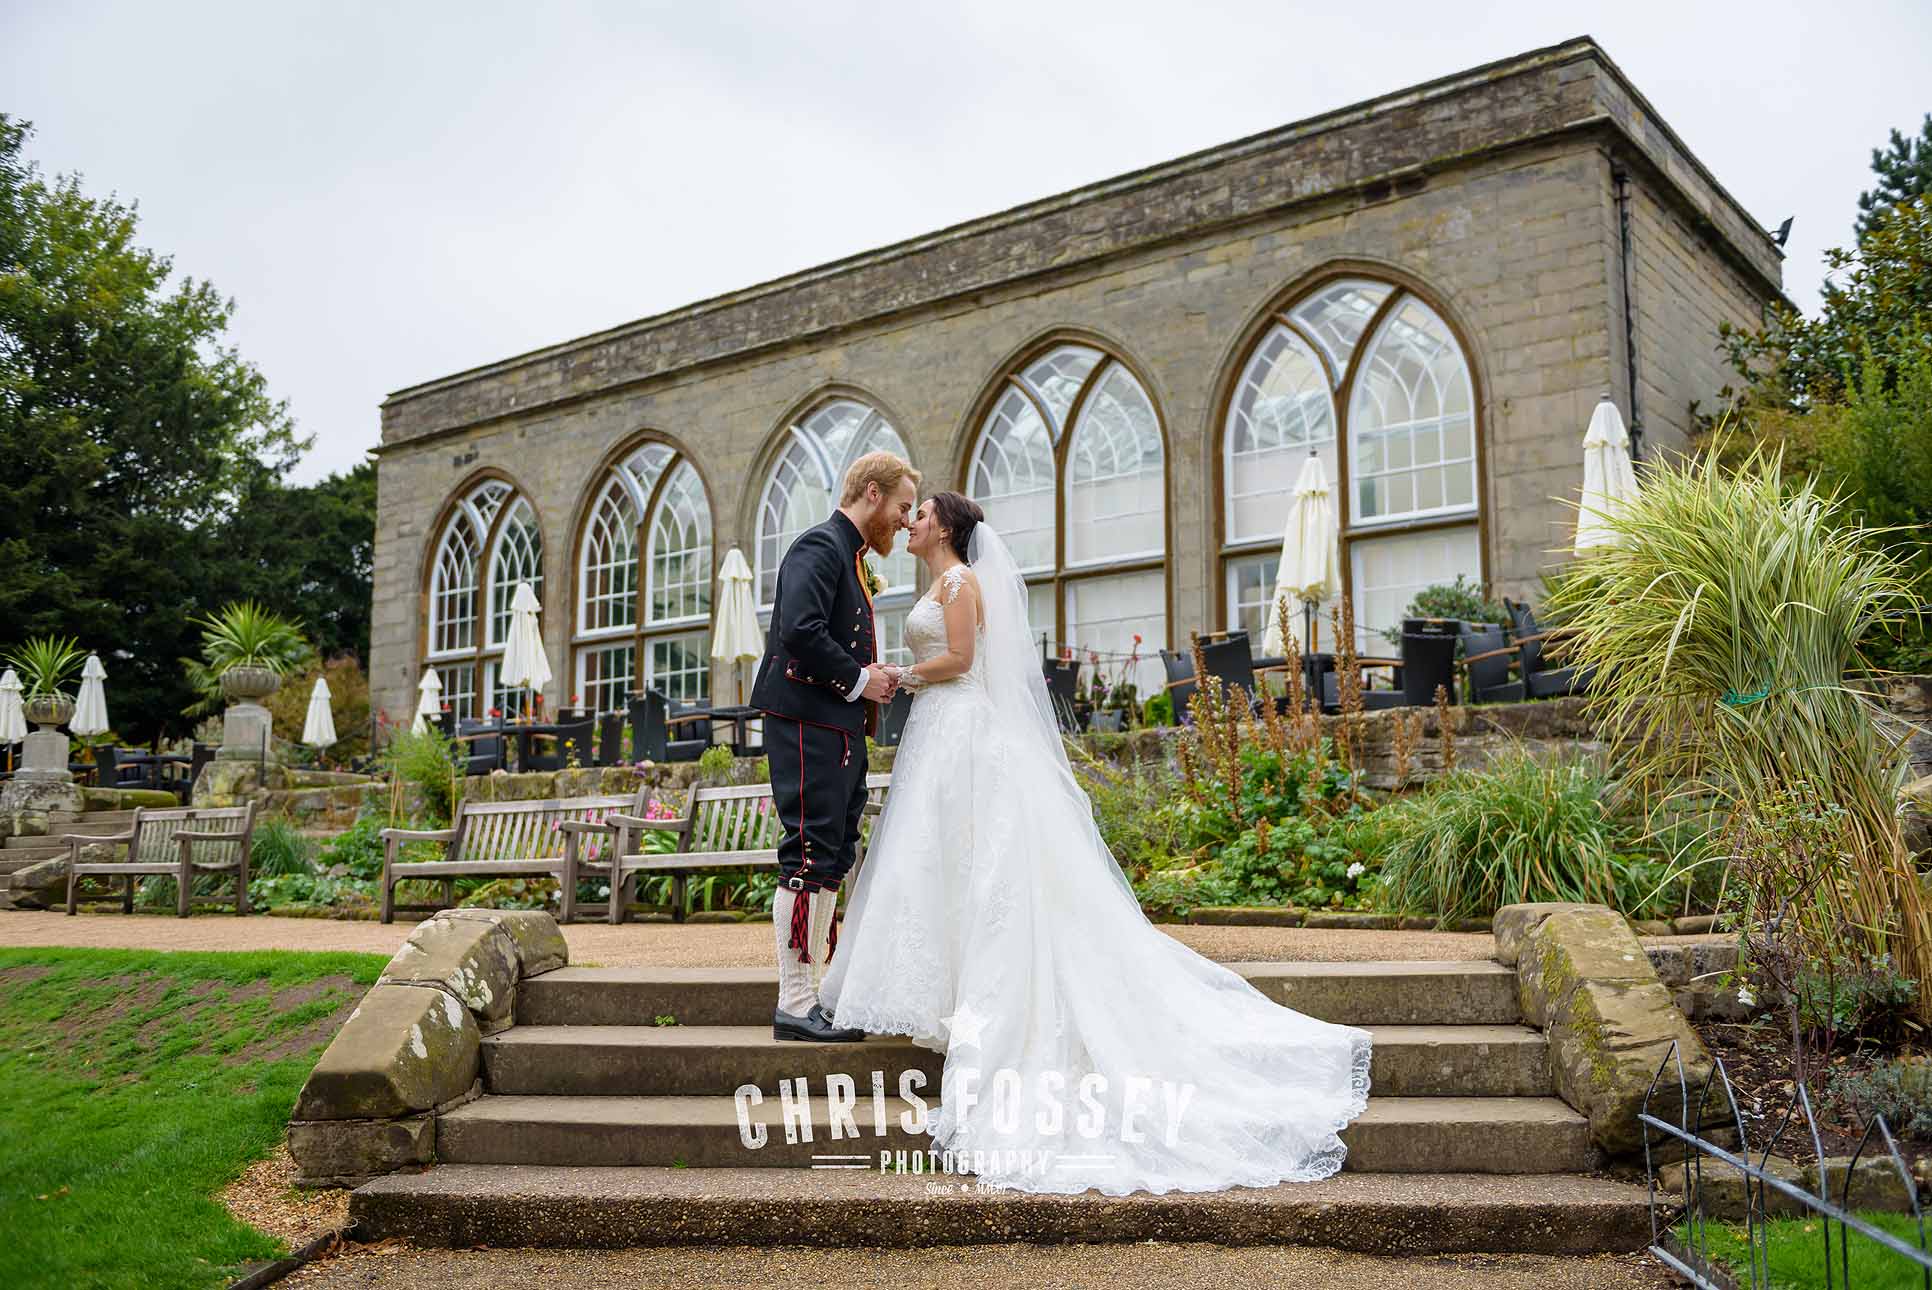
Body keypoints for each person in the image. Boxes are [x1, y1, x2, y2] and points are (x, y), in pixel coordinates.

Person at [819, 491, 1373, 1195]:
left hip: (960, 729)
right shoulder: (938, 582)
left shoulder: (960, 581)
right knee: (943, 866)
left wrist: (900, 677)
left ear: (949, 528)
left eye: (922, 513)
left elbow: (960, 659)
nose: (912, 520)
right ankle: (944, 997)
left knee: (979, 868)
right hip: (940, 735)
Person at [748, 450, 918, 1043]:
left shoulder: (849, 556)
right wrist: (859, 679)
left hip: (834, 724)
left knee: (834, 853)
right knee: (808, 855)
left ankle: (811, 993)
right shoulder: (820, 547)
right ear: (872, 493)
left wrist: (871, 674)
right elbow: (799, 629)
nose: (905, 519)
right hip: (806, 720)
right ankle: (794, 1002)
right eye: (900, 507)